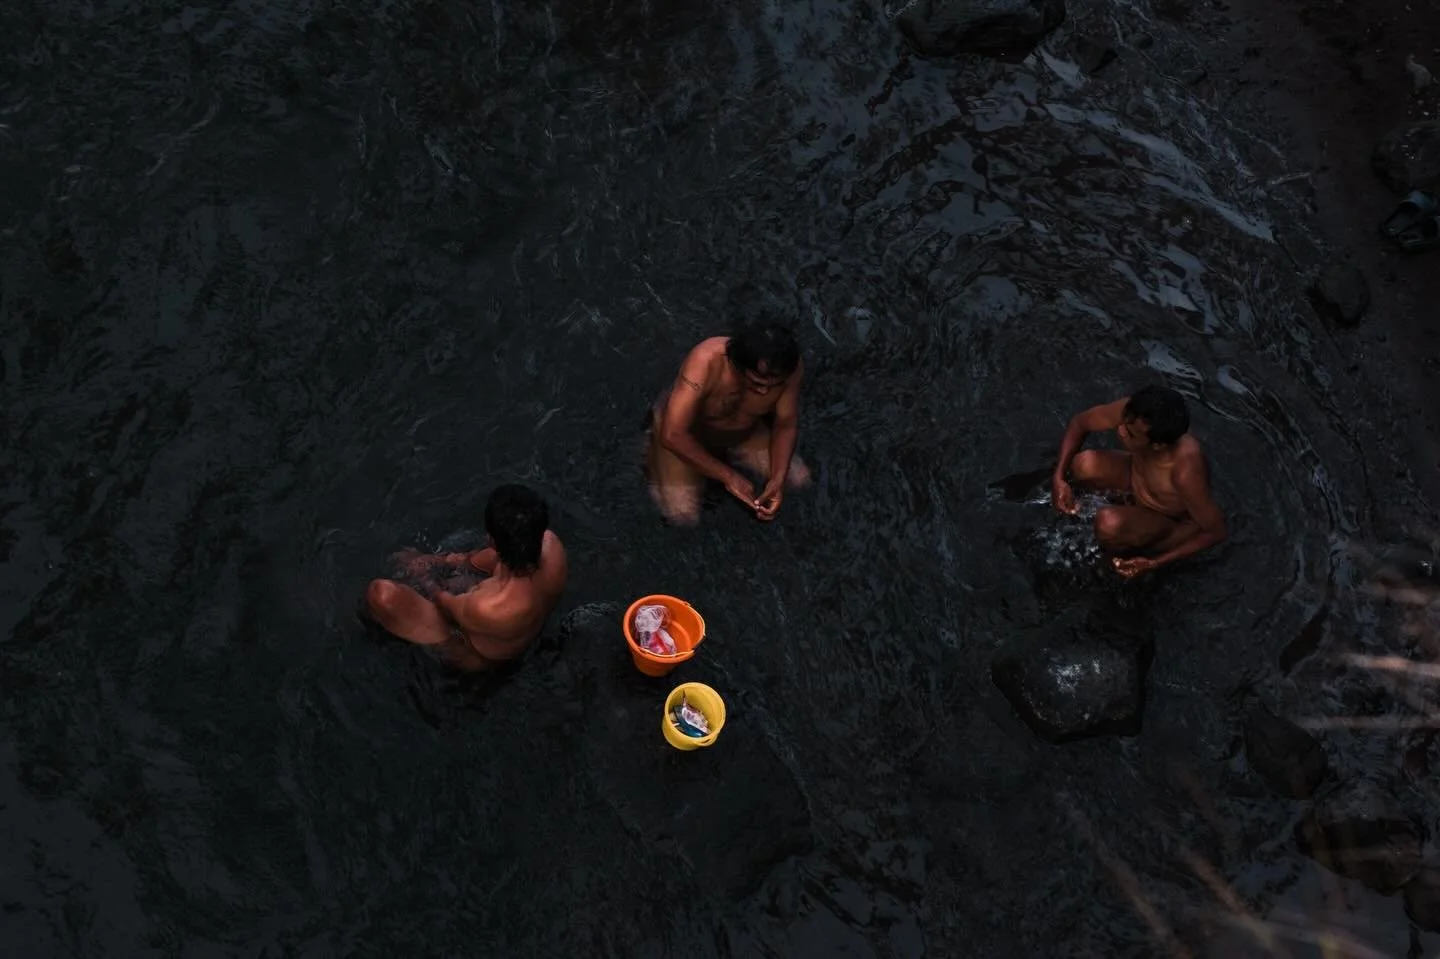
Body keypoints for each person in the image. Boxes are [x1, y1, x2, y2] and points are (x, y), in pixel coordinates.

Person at [365, 484, 568, 670]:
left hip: (479, 655)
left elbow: (445, 603)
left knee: (382, 596)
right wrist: (441, 561)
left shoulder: (487, 607)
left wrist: (425, 577)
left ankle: (360, 620)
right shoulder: (552, 546)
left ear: (491, 540)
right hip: (515, 628)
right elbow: (504, 557)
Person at [644, 320, 812, 526]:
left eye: (774, 386)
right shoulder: (706, 361)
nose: (764, 392)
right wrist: (729, 477)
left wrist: (777, 478)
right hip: (683, 437)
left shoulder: (789, 367)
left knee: (799, 479)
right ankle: (648, 454)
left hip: (745, 433)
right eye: (757, 383)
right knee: (683, 515)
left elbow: (785, 423)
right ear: (737, 365)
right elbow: (673, 434)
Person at [1050, 385, 1227, 579]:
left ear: (1158, 445)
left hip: (1166, 522)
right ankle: (1073, 511)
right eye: (1124, 423)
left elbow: (1215, 531)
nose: (1121, 431)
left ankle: (1114, 559)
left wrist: (1155, 563)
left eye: (1131, 434)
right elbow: (1079, 423)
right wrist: (1058, 479)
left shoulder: (1184, 471)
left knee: (1108, 523)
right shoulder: (1134, 414)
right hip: (1135, 483)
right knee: (1083, 464)